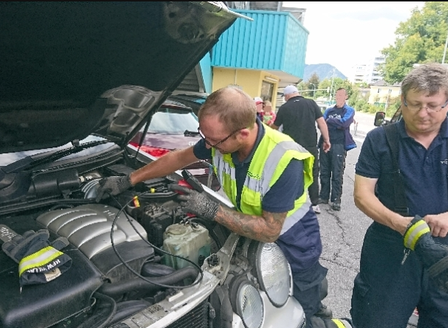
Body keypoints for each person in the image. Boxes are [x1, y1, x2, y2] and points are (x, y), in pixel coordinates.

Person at [97, 86, 349, 328]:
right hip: (251, 241)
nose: (207, 145)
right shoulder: (220, 142)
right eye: (203, 136)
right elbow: (176, 158)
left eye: (214, 140)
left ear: (243, 133)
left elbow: (270, 230)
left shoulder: (284, 159)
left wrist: (212, 210)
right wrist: (128, 179)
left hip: (294, 249)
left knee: (296, 314)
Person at [352, 63, 448, 328]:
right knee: (375, 321)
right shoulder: (380, 139)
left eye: (433, 106)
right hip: (391, 248)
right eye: (414, 104)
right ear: (403, 101)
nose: (423, 113)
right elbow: (362, 195)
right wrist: (400, 224)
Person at [271, 85, 330, 215]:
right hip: (310, 146)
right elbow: (322, 123)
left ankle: (292, 203)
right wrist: (326, 140)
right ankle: (314, 204)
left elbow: (274, 128)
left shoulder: (284, 108)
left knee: (292, 173)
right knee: (313, 173)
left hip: (291, 147)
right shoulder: (311, 103)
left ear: (287, 96)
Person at [318, 88, 356, 211]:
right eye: (337, 95)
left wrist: (330, 121)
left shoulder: (349, 110)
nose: (338, 97)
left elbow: (344, 124)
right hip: (325, 143)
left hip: (339, 145)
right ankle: (323, 196)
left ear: (346, 96)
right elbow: (321, 123)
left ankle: (336, 199)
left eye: (341, 95)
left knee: (337, 173)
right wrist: (333, 122)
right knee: (324, 171)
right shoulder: (329, 110)